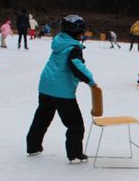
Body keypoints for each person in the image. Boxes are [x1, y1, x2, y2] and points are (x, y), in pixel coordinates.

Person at [26, 15, 96, 163]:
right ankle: (75, 154)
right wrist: (91, 81)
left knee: (42, 117)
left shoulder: (59, 42)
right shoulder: (74, 47)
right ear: (77, 32)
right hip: (62, 91)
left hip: (45, 86)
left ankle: (33, 146)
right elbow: (76, 66)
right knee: (75, 124)